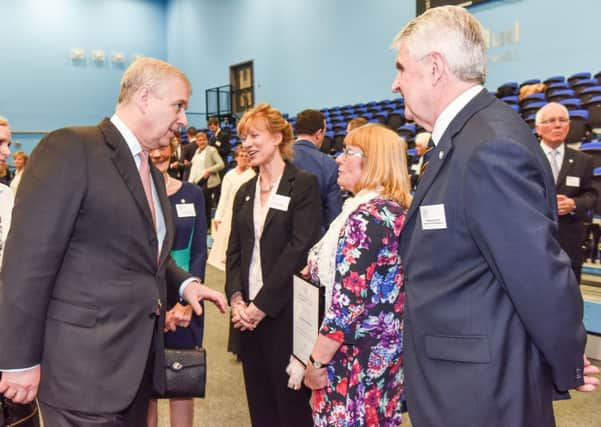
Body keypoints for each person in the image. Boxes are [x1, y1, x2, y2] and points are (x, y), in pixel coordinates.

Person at [391, 6, 599, 426]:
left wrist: (566, 356)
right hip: (462, 380)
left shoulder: (487, 145)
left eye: (401, 68)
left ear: (435, 68)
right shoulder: (465, 137)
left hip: (481, 392)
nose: (395, 84)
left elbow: (536, 271)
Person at [0, 57, 227, 426]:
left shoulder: (149, 173)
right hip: (81, 374)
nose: (184, 120)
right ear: (144, 97)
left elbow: (142, 252)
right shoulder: (72, 148)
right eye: (179, 106)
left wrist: (184, 284)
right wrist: (18, 360)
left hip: (134, 371)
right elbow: (27, 261)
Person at [303, 124, 411, 427]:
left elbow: (346, 305)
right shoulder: (392, 211)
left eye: (349, 152)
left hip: (351, 361)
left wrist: (316, 362)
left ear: (374, 161)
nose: (338, 159)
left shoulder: (363, 218)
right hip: (382, 356)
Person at [225, 103, 322, 427]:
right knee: (259, 403)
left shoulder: (303, 185)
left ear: (278, 137)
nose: (247, 144)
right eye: (243, 138)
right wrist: (237, 300)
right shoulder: (243, 192)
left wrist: (262, 305)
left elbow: (299, 250)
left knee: (291, 406)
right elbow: (234, 253)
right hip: (247, 317)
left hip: (285, 315)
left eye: (255, 135)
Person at [147, 139, 208, 427]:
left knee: (183, 379)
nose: (158, 154)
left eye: (164, 147)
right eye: (152, 148)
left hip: (187, 301)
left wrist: (185, 304)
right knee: (145, 386)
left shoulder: (193, 193)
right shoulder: (136, 196)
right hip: (147, 302)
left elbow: (199, 251)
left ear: (173, 151)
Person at [536, 102, 597, 283]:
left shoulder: (584, 160)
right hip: (534, 240)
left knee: (569, 300)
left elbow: (592, 195)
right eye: (551, 121)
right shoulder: (527, 157)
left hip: (570, 241)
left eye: (562, 120)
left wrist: (574, 204)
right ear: (538, 129)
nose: (557, 125)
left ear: (569, 126)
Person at [292, 109, 342, 231]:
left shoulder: (279, 158)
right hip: (315, 238)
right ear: (319, 133)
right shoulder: (329, 164)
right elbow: (334, 214)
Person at [208, 145, 255, 272]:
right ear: (236, 158)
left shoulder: (253, 175)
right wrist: (218, 216)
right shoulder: (229, 175)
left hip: (246, 211)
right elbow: (223, 197)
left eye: (246, 156)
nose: (244, 158)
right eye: (241, 155)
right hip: (229, 211)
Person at [188, 129, 225, 230]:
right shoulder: (197, 151)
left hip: (207, 181)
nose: (201, 142)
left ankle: (208, 228)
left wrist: (209, 170)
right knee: (199, 206)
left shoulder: (211, 150)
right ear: (196, 142)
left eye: (203, 140)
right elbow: (194, 167)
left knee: (206, 206)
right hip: (196, 182)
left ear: (207, 140)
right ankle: (201, 226)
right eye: (199, 140)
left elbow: (221, 164)